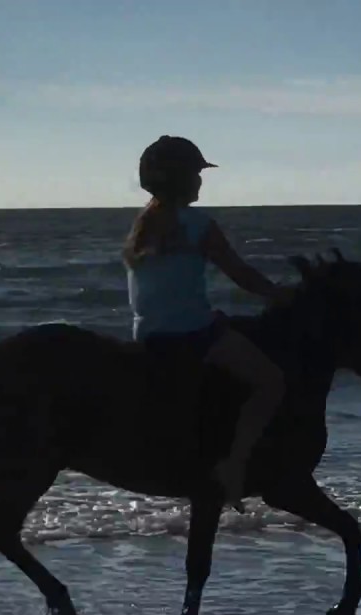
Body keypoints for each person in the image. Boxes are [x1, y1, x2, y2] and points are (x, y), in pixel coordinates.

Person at [123, 135, 291, 512]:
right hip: (191, 333)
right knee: (270, 381)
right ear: (182, 179)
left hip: (148, 334)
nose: (200, 182)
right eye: (196, 174)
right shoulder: (198, 224)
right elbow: (241, 275)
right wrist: (280, 295)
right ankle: (234, 465)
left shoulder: (142, 225)